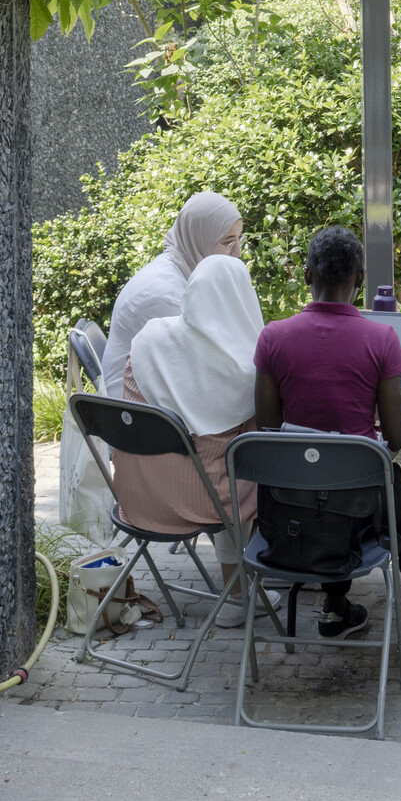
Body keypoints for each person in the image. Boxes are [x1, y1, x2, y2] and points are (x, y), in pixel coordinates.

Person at [253, 227, 401, 656]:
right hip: (358, 506)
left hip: (291, 505)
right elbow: (398, 435)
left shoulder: (273, 337)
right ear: (359, 280)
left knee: (336, 484)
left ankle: (336, 606)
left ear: (307, 275)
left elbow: (268, 431)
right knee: (391, 492)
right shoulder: (380, 340)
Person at [118, 254, 262, 625]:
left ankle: (237, 586)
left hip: (136, 499)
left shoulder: (148, 338)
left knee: (213, 462)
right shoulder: (244, 367)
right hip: (200, 505)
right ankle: (236, 594)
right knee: (248, 471)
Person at [100, 191, 243, 399]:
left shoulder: (182, 269)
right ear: (198, 237)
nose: (237, 252)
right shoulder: (165, 295)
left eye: (238, 240)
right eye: (228, 242)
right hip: (136, 413)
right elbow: (205, 364)